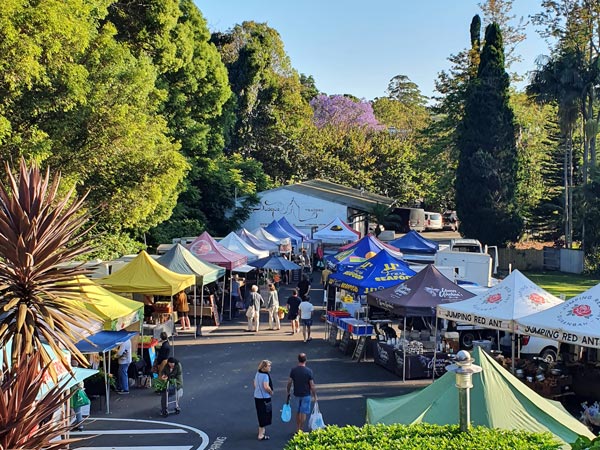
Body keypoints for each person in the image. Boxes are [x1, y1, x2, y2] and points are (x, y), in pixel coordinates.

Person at [286, 353, 317, 433]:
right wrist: (315, 395)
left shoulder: (294, 370)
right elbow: (312, 385)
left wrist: (288, 391)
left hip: (296, 393)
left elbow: (289, 382)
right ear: (305, 360)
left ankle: (297, 427)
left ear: (298, 360)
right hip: (306, 394)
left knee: (298, 411)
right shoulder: (309, 371)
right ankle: (301, 428)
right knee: (303, 412)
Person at [253, 359, 273, 440]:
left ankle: (262, 430)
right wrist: (270, 392)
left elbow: (254, 382)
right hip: (264, 398)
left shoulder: (257, 373)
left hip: (257, 396)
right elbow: (266, 386)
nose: (270, 367)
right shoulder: (265, 376)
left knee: (260, 413)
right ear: (264, 367)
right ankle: (260, 435)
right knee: (264, 415)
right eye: (269, 366)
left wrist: (257, 389)